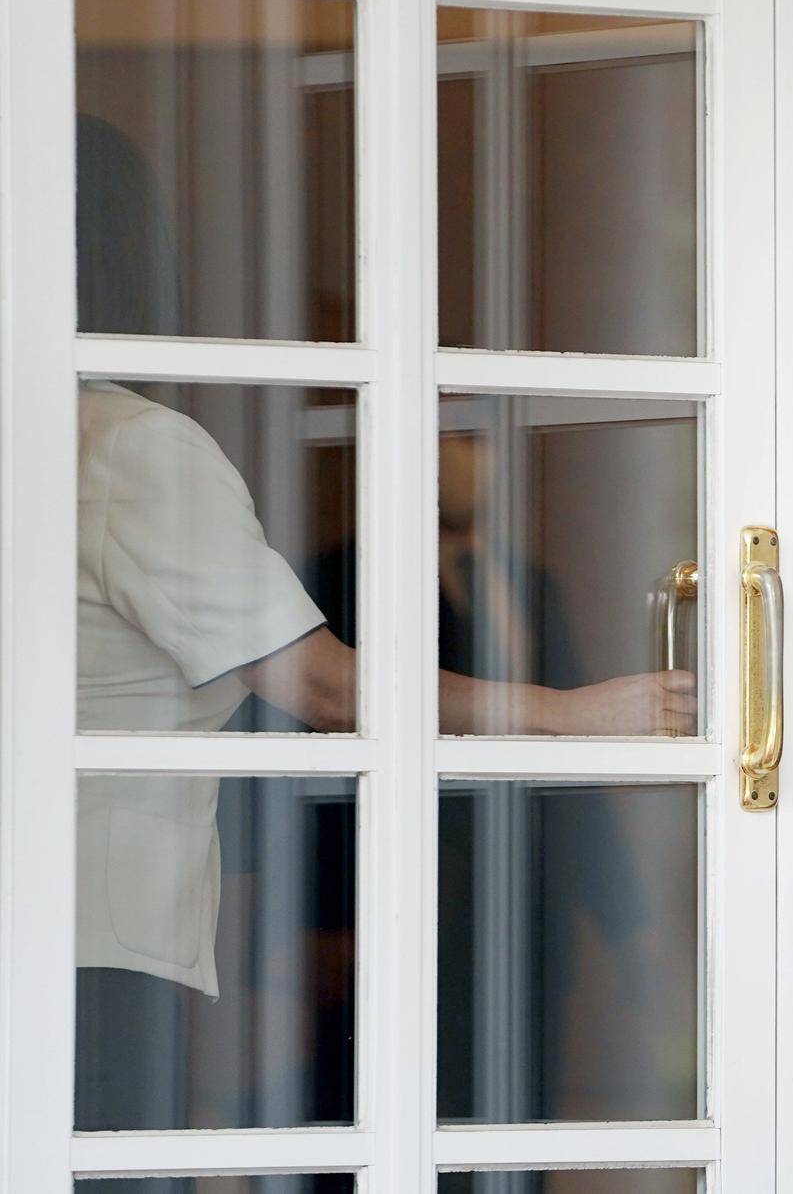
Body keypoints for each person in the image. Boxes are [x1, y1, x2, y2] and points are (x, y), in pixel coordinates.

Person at [73, 114, 696, 1132]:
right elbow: (320, 687)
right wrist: (576, 714)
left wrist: (627, 936)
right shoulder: (128, 450)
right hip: (97, 941)